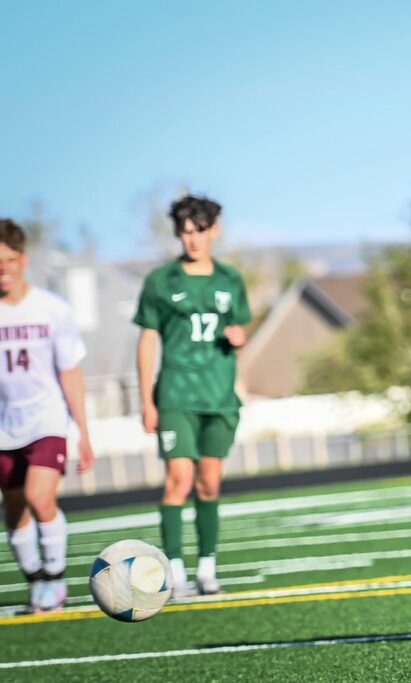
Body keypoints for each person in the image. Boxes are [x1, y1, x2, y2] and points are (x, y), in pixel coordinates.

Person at [134, 195, 251, 598]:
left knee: (209, 484)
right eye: (185, 232)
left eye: (199, 231)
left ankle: (207, 570)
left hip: (218, 396)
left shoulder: (230, 279)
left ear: (215, 230)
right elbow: (148, 338)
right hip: (176, 394)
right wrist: (146, 400)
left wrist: (239, 337)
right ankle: (175, 573)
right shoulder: (161, 281)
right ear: (177, 235)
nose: (193, 239)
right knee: (178, 480)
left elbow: (240, 329)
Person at [0, 219, 95, 613]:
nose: (3, 269)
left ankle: (55, 579)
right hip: (4, 426)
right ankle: (36, 579)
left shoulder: (53, 309)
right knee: (13, 509)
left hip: (47, 420)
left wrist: (83, 432)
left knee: (40, 497)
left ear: (23, 260)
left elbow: (70, 371)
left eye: (9, 260)